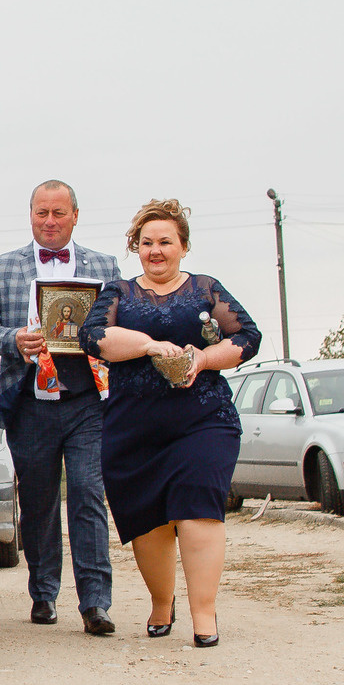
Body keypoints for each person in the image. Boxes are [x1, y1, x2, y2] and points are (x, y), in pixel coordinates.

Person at [80, 199, 260, 646]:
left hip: (204, 418)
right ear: (136, 248)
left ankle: (205, 615)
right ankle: (163, 603)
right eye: (146, 243)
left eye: (165, 242)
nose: (155, 251)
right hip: (134, 427)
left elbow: (248, 337)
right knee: (149, 521)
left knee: (198, 510)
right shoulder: (118, 292)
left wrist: (203, 356)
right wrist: (149, 345)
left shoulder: (205, 289)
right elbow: (93, 337)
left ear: (183, 246)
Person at [0, 181, 121, 633]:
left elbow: (120, 324)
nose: (49, 222)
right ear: (30, 215)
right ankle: (44, 593)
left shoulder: (106, 265)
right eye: (41, 213)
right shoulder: (2, 268)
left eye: (58, 213)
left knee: (89, 496)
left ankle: (96, 603)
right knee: (37, 502)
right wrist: (12, 339)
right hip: (30, 401)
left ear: (76, 215)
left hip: (89, 401)